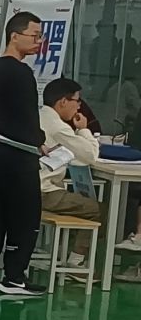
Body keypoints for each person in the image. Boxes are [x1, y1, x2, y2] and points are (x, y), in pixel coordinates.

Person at [0, 11, 51, 298]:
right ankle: (15, 276)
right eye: (35, 36)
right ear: (14, 36)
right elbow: (26, 115)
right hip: (17, 157)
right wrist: (39, 141)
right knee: (24, 215)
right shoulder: (20, 72)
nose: (39, 42)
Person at [40, 77, 107, 230]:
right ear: (63, 101)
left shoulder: (39, 116)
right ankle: (80, 248)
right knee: (101, 210)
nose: (79, 106)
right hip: (45, 193)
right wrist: (83, 129)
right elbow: (91, 155)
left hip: (30, 187)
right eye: (77, 101)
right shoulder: (58, 127)